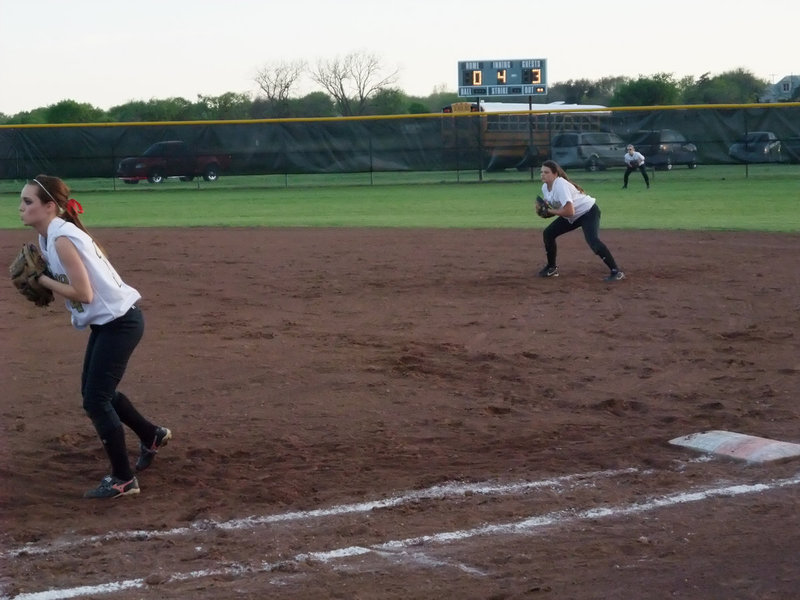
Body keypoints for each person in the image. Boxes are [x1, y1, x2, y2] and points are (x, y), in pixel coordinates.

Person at [18, 175, 171, 499]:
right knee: (97, 392)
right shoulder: (50, 237)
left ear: (49, 207)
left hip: (121, 323)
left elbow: (84, 293)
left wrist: (43, 280)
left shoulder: (61, 238)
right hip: (111, 323)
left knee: (96, 399)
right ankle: (151, 435)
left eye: (28, 201)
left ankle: (123, 479)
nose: (21, 207)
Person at [536, 160, 625, 282]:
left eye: (546, 172)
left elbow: (569, 211)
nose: (543, 174)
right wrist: (544, 213)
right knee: (548, 233)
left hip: (588, 212)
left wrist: (549, 212)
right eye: (541, 172)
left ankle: (616, 271)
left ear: (555, 174)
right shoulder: (545, 187)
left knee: (593, 241)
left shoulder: (560, 185)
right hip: (573, 216)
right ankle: (551, 268)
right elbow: (560, 210)